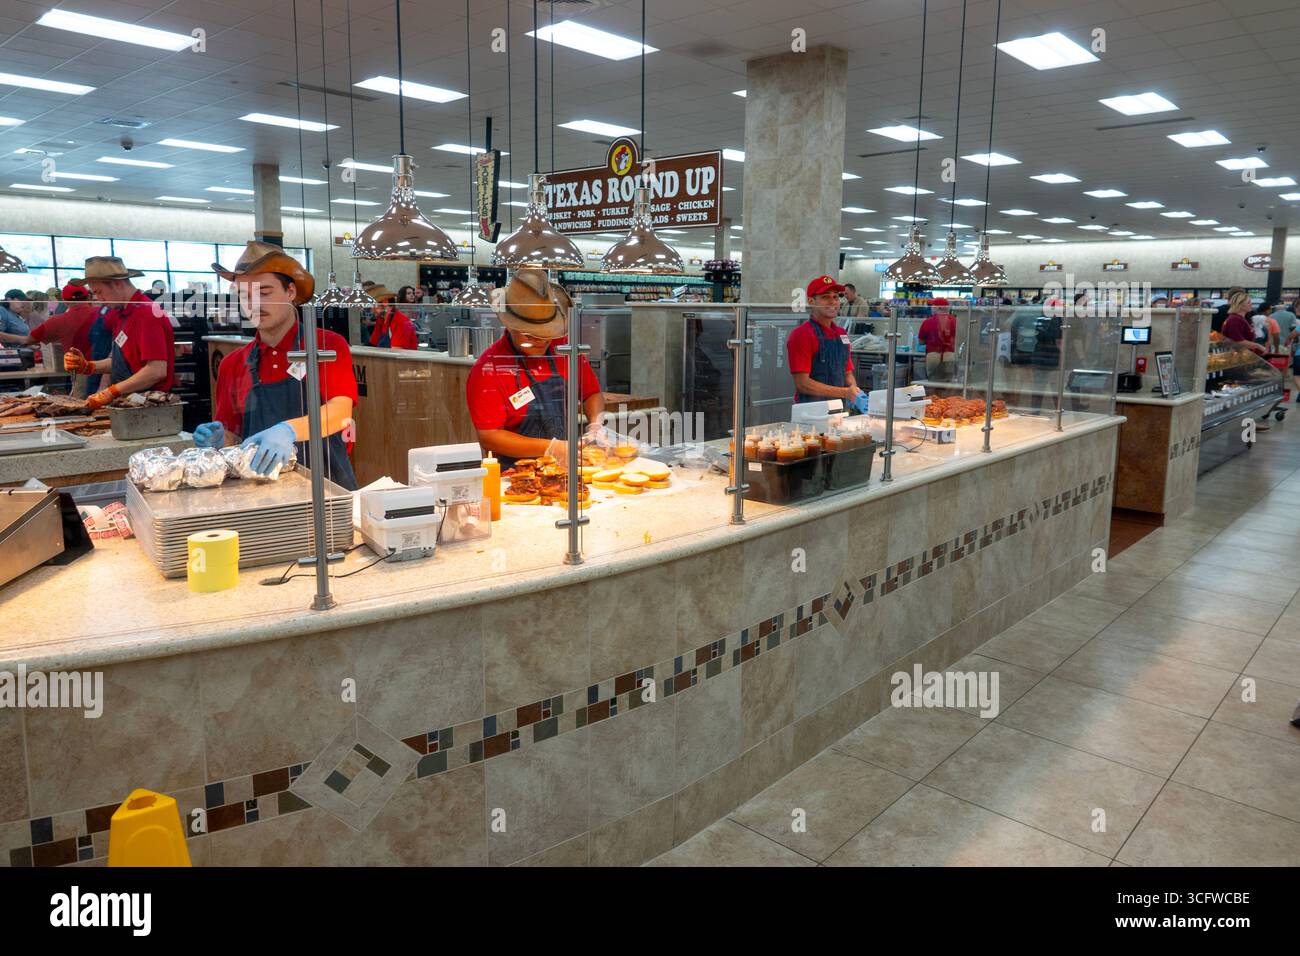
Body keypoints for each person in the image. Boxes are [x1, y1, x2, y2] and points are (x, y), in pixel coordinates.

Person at [192, 241, 359, 489]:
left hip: (326, 486)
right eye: (244, 295)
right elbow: (236, 437)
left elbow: (340, 413)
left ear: (290, 292)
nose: (254, 305)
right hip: (260, 494)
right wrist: (219, 439)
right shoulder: (233, 364)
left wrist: (287, 430)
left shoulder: (325, 346)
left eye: (264, 292)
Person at [466, 267, 604, 466]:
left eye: (546, 334)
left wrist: (595, 425)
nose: (540, 341)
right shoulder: (489, 368)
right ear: (511, 325)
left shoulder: (564, 349)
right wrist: (549, 448)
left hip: (566, 467)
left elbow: (591, 393)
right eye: (530, 335)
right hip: (515, 474)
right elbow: (489, 436)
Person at [61, 257, 175, 409]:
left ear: (118, 283)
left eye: (99, 292)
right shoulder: (120, 314)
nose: (99, 299)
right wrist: (89, 367)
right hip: (130, 403)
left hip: (151, 406)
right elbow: (122, 362)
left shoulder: (147, 314)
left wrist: (111, 391)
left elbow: (156, 371)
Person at [0, 281, 100, 397]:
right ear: (88, 297)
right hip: (109, 368)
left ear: (64, 302)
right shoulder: (104, 313)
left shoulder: (57, 320)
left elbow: (30, 339)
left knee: (84, 406)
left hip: (82, 371)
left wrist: (26, 341)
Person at [786, 275, 867, 409]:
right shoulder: (801, 335)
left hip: (838, 410)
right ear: (811, 301)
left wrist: (854, 390)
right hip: (810, 412)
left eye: (835, 297)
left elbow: (847, 373)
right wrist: (845, 392)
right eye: (825, 297)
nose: (832, 302)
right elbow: (802, 383)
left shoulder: (842, 334)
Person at [918, 298, 958, 381]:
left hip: (933, 355)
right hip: (950, 355)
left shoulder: (927, 322)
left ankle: (934, 394)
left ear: (938, 308)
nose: (931, 308)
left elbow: (921, 341)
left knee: (933, 383)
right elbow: (960, 339)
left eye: (933, 306)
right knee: (949, 384)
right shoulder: (955, 321)